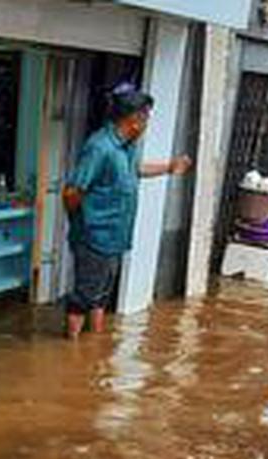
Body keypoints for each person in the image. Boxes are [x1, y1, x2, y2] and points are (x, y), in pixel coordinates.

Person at [60, 89, 191, 339]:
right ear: (135, 120)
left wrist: (169, 167)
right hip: (94, 236)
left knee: (101, 296)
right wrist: (81, 224)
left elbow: (135, 170)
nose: (148, 123)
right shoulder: (100, 147)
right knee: (84, 296)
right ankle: (71, 348)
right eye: (147, 117)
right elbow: (72, 191)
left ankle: (94, 349)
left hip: (116, 236)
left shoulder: (128, 146)